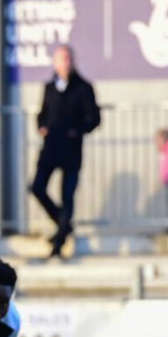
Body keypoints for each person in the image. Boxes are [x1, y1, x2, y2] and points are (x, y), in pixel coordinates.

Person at [31, 45, 100, 259]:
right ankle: (63, 224)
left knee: (67, 194)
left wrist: (76, 131)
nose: (65, 63)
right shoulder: (50, 87)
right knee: (37, 187)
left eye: (68, 59)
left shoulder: (83, 87)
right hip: (51, 147)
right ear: (55, 63)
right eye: (61, 59)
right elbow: (42, 113)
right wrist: (42, 126)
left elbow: (94, 119)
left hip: (71, 149)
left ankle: (59, 241)